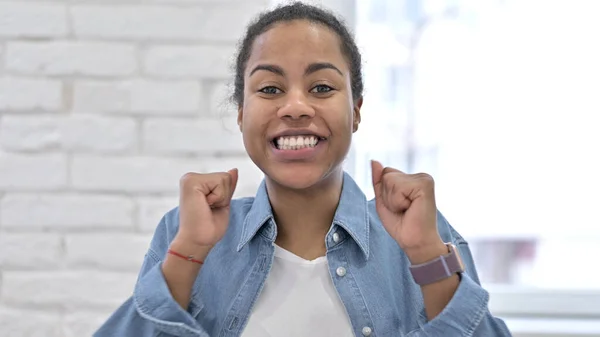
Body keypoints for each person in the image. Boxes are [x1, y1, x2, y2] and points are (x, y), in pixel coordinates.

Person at [94, 2, 512, 336]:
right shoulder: (183, 232)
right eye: (271, 89)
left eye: (322, 87)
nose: (295, 107)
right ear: (241, 114)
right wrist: (188, 254)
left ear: (356, 111)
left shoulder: (425, 234)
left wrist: (426, 257)